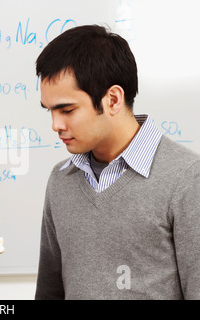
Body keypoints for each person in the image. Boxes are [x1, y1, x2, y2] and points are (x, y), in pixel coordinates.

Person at [35, 25, 200, 299]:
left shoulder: (187, 179)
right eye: (50, 111)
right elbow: (49, 293)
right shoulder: (60, 180)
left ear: (112, 99)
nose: (55, 124)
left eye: (67, 110)